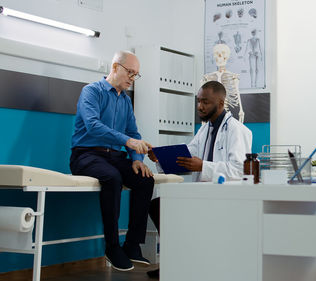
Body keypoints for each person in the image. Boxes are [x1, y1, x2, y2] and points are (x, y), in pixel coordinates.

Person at [146, 80, 252, 278]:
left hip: (224, 198)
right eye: (198, 101)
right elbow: (188, 157)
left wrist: (203, 166)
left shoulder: (238, 130)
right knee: (158, 206)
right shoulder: (205, 129)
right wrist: (161, 158)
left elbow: (239, 170)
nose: (200, 106)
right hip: (201, 195)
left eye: (206, 102)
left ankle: (188, 261)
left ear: (220, 103)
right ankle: (174, 261)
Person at [70, 50, 155, 271]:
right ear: (115, 67)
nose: (132, 78)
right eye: (130, 72)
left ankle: (132, 245)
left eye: (136, 75)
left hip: (114, 156)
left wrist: (137, 158)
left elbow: (134, 132)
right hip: (86, 154)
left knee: (145, 179)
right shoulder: (91, 91)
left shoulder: (125, 101)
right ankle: (112, 246)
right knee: (112, 177)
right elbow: (93, 126)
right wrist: (128, 142)